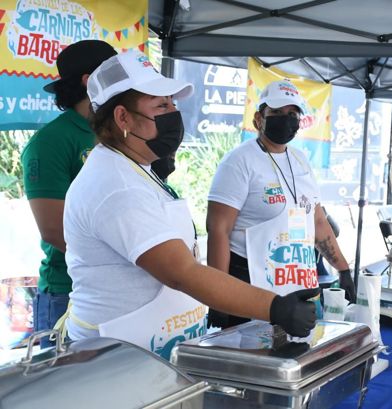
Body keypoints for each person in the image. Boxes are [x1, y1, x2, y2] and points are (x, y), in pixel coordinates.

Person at [60, 51, 317, 359]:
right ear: (123, 118)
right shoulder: (115, 186)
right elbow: (182, 271)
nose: (174, 114)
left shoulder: (135, 168)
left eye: (173, 104)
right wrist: (275, 307)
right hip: (113, 361)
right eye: (162, 105)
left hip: (147, 355)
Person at [206, 80, 356, 330]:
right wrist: (218, 296)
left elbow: (317, 221)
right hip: (248, 282)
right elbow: (218, 230)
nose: (286, 119)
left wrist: (343, 270)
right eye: (276, 113)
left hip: (295, 280)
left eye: (292, 114)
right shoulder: (239, 162)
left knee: (294, 356)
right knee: (250, 357)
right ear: (258, 118)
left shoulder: (300, 160)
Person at [20, 40, 117, 348]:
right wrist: (124, 264)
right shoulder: (52, 141)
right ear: (90, 81)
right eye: (116, 74)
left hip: (121, 289)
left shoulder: (120, 132)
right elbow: (53, 229)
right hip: (69, 293)